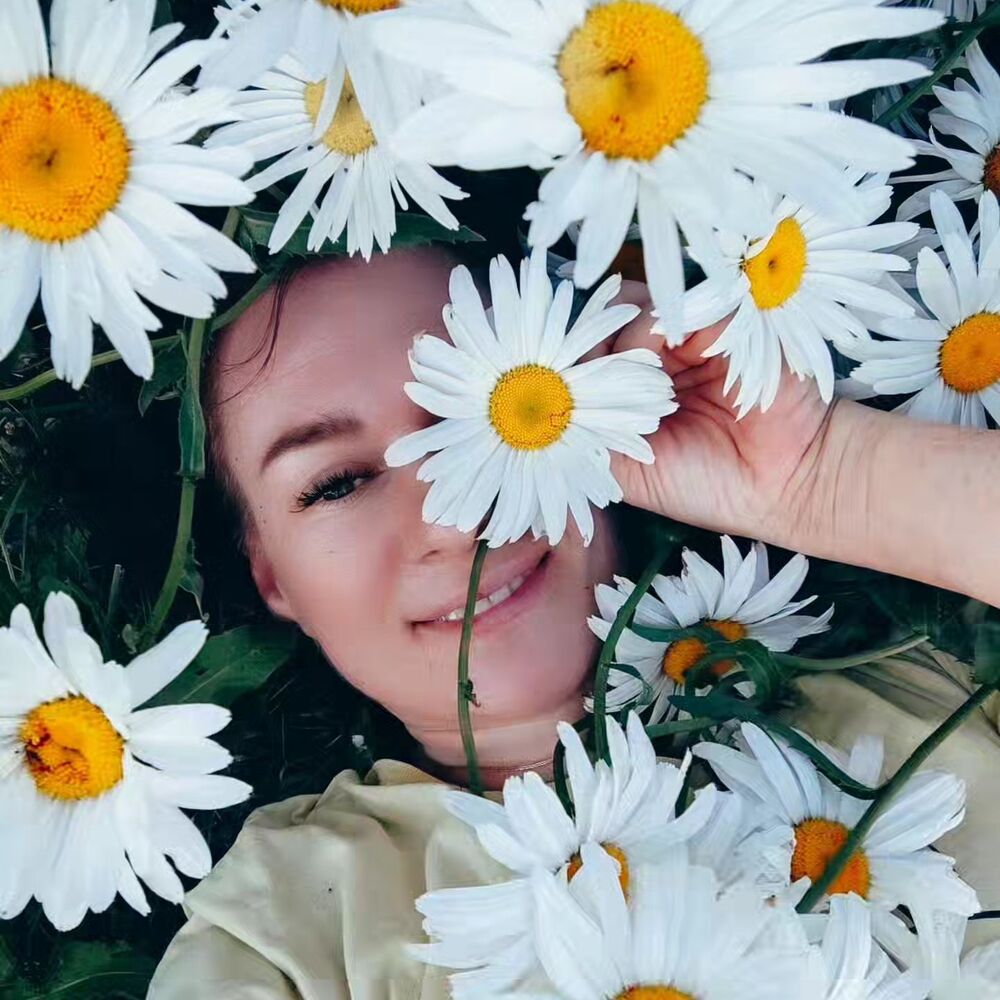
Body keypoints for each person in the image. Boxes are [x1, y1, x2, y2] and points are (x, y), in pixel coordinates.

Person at [147, 245, 1000, 999]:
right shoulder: (281, 934)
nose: (455, 517)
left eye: (490, 411)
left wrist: (823, 478)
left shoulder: (925, 673)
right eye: (336, 483)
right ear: (272, 578)